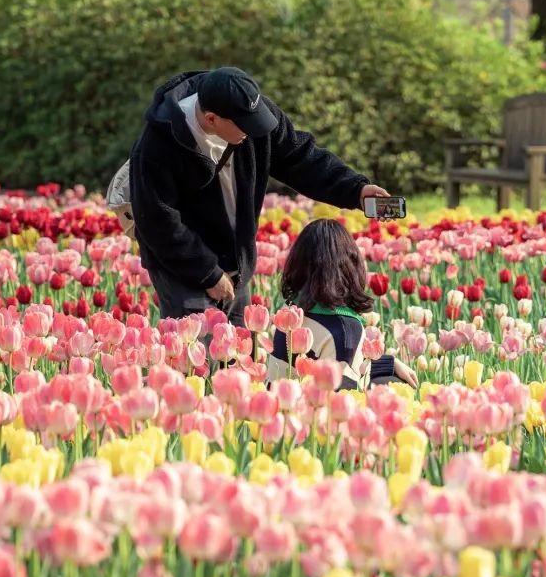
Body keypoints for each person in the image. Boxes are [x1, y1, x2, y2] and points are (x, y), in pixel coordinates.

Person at [127, 66, 388, 325]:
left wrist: (356, 190)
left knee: (241, 359)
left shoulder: (249, 113)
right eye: (244, 126)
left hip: (235, 260)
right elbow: (158, 221)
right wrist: (207, 274)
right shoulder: (158, 145)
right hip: (183, 267)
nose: (253, 131)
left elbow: (301, 159)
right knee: (199, 356)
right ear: (211, 119)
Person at [266, 218, 418, 391]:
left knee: (387, 374)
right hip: (315, 411)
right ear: (351, 266)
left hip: (280, 402)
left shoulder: (290, 314)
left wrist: (387, 362)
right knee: (394, 384)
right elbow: (343, 396)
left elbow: (319, 364)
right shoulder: (346, 329)